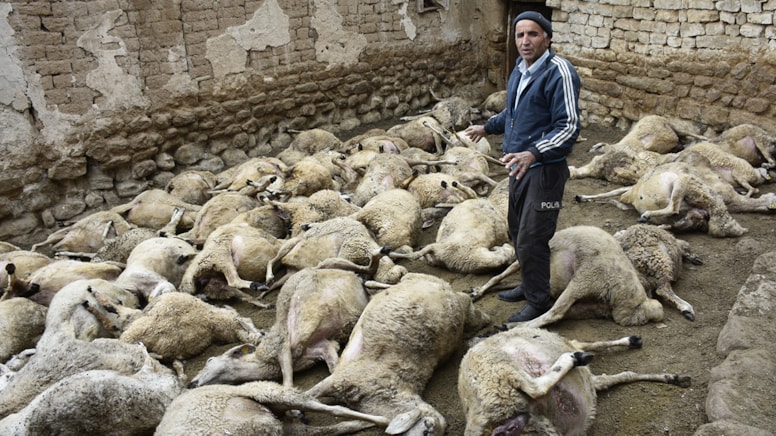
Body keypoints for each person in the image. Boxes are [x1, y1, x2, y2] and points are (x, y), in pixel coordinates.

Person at [465, 11, 581, 322]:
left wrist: (533, 152)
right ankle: (529, 284)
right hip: (518, 166)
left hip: (546, 172)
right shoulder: (520, 69)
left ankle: (539, 302)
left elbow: (568, 126)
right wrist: (488, 128)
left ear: (547, 37)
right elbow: (513, 112)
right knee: (517, 229)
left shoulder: (560, 72)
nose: (524, 41)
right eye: (519, 35)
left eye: (532, 34)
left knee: (534, 234)